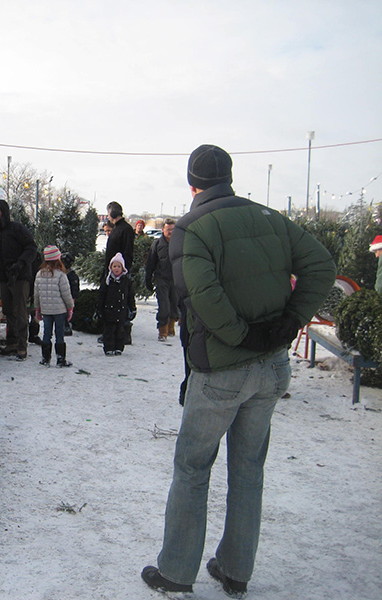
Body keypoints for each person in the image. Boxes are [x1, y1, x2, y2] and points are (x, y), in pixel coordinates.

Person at [142, 145, 335, 596]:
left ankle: (176, 571)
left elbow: (203, 299)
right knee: (249, 469)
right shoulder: (270, 218)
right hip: (270, 370)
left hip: (222, 373)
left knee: (192, 468)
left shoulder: (191, 228)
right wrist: (287, 324)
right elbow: (321, 265)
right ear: (229, 177)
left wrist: (244, 336)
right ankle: (235, 569)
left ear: (192, 184)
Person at [0, 199, 39, 361]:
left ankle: (22, 346)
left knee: (20, 311)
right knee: (8, 311)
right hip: (4, 278)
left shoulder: (16, 229)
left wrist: (20, 263)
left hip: (19, 276)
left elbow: (31, 247)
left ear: (3, 212)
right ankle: (12, 343)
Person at [34, 245, 75, 367]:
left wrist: (37, 308)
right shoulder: (61, 275)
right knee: (59, 335)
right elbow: (66, 294)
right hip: (59, 311)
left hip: (46, 311)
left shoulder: (39, 274)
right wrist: (70, 307)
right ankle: (60, 359)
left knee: (47, 334)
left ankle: (45, 358)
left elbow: (36, 294)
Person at [103, 201, 136, 344]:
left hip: (120, 272)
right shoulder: (117, 228)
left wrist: (123, 271)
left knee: (122, 302)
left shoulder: (125, 229)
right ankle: (112, 335)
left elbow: (128, 252)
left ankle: (124, 334)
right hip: (112, 271)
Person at [145, 218, 180, 342]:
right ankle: (163, 331)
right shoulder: (158, 244)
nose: (170, 232)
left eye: (173, 229)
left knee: (174, 305)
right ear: (163, 229)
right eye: (168, 229)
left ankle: (171, 327)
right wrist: (148, 278)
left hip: (176, 280)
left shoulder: (179, 243)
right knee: (164, 305)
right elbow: (151, 262)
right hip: (161, 279)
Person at [99, 253, 135, 356]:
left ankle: (119, 347)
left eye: (119, 266)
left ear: (122, 268)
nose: (116, 268)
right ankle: (109, 348)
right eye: (114, 266)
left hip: (121, 310)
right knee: (109, 330)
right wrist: (100, 309)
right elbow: (102, 295)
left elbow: (130, 296)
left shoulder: (126, 281)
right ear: (111, 267)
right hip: (109, 310)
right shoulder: (107, 280)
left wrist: (132, 308)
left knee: (120, 331)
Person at [61, 251, 80, 337]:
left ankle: (67, 325)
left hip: (69, 298)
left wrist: (73, 297)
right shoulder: (60, 275)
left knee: (68, 312)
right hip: (60, 299)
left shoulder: (73, 276)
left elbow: (75, 289)